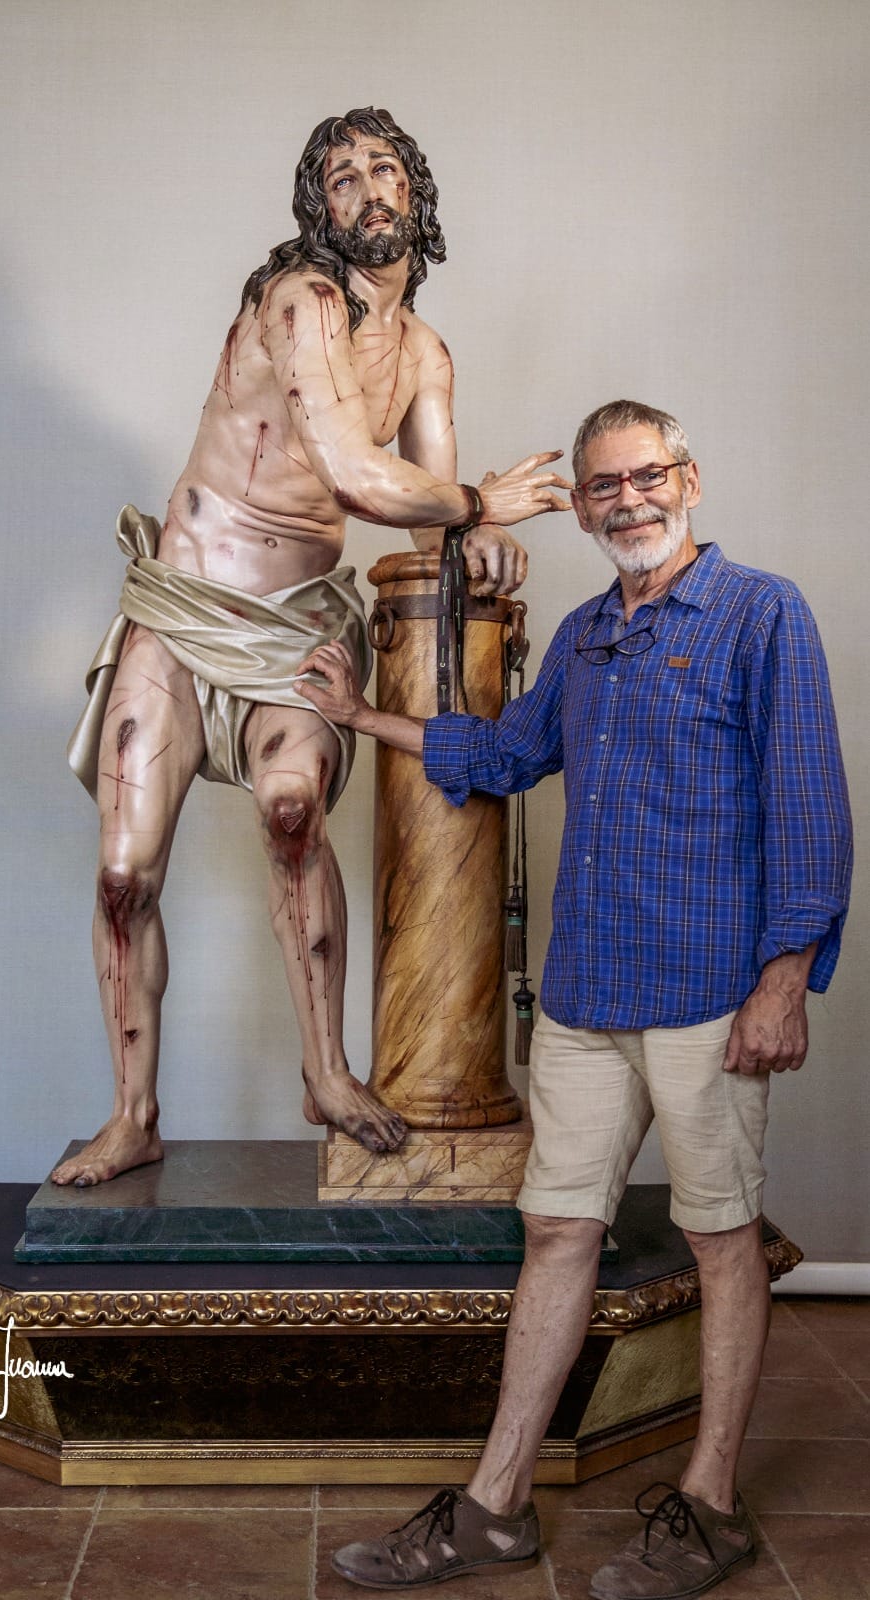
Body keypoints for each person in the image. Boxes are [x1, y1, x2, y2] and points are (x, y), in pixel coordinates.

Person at [298, 399, 852, 1598]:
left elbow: (811, 813)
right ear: (586, 508)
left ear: (687, 478)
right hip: (587, 997)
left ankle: (708, 1508)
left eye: (643, 477)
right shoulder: (589, 637)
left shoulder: (763, 614)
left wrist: (783, 982)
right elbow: (504, 756)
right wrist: (358, 717)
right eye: (600, 487)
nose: (624, 501)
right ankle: (495, 1507)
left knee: (719, 1244)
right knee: (555, 1231)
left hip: (710, 997)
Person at [55, 107, 571, 1187]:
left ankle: (326, 1073)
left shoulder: (424, 351)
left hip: (294, 621)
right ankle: (131, 1113)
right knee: (119, 876)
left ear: (417, 199)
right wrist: (481, 503)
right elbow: (350, 469)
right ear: (318, 209)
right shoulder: (300, 301)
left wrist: (471, 544)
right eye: (343, 178)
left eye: (387, 170)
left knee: (293, 817)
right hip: (185, 609)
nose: (369, 189)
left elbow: (428, 517)